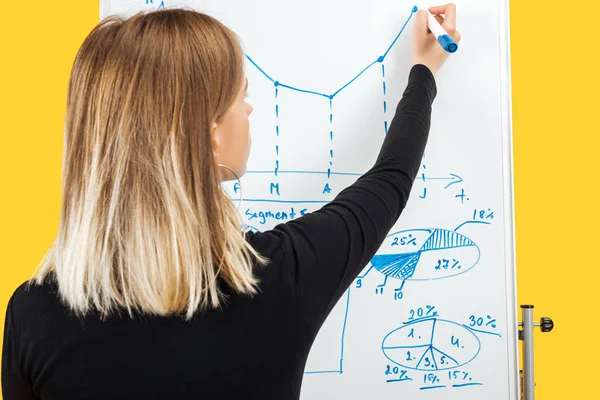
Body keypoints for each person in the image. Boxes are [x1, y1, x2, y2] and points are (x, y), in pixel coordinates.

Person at [2, 4, 460, 399]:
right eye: (242, 97)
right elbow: (390, 180)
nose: (251, 110)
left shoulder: (32, 315)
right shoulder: (281, 278)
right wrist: (423, 72)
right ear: (211, 136)